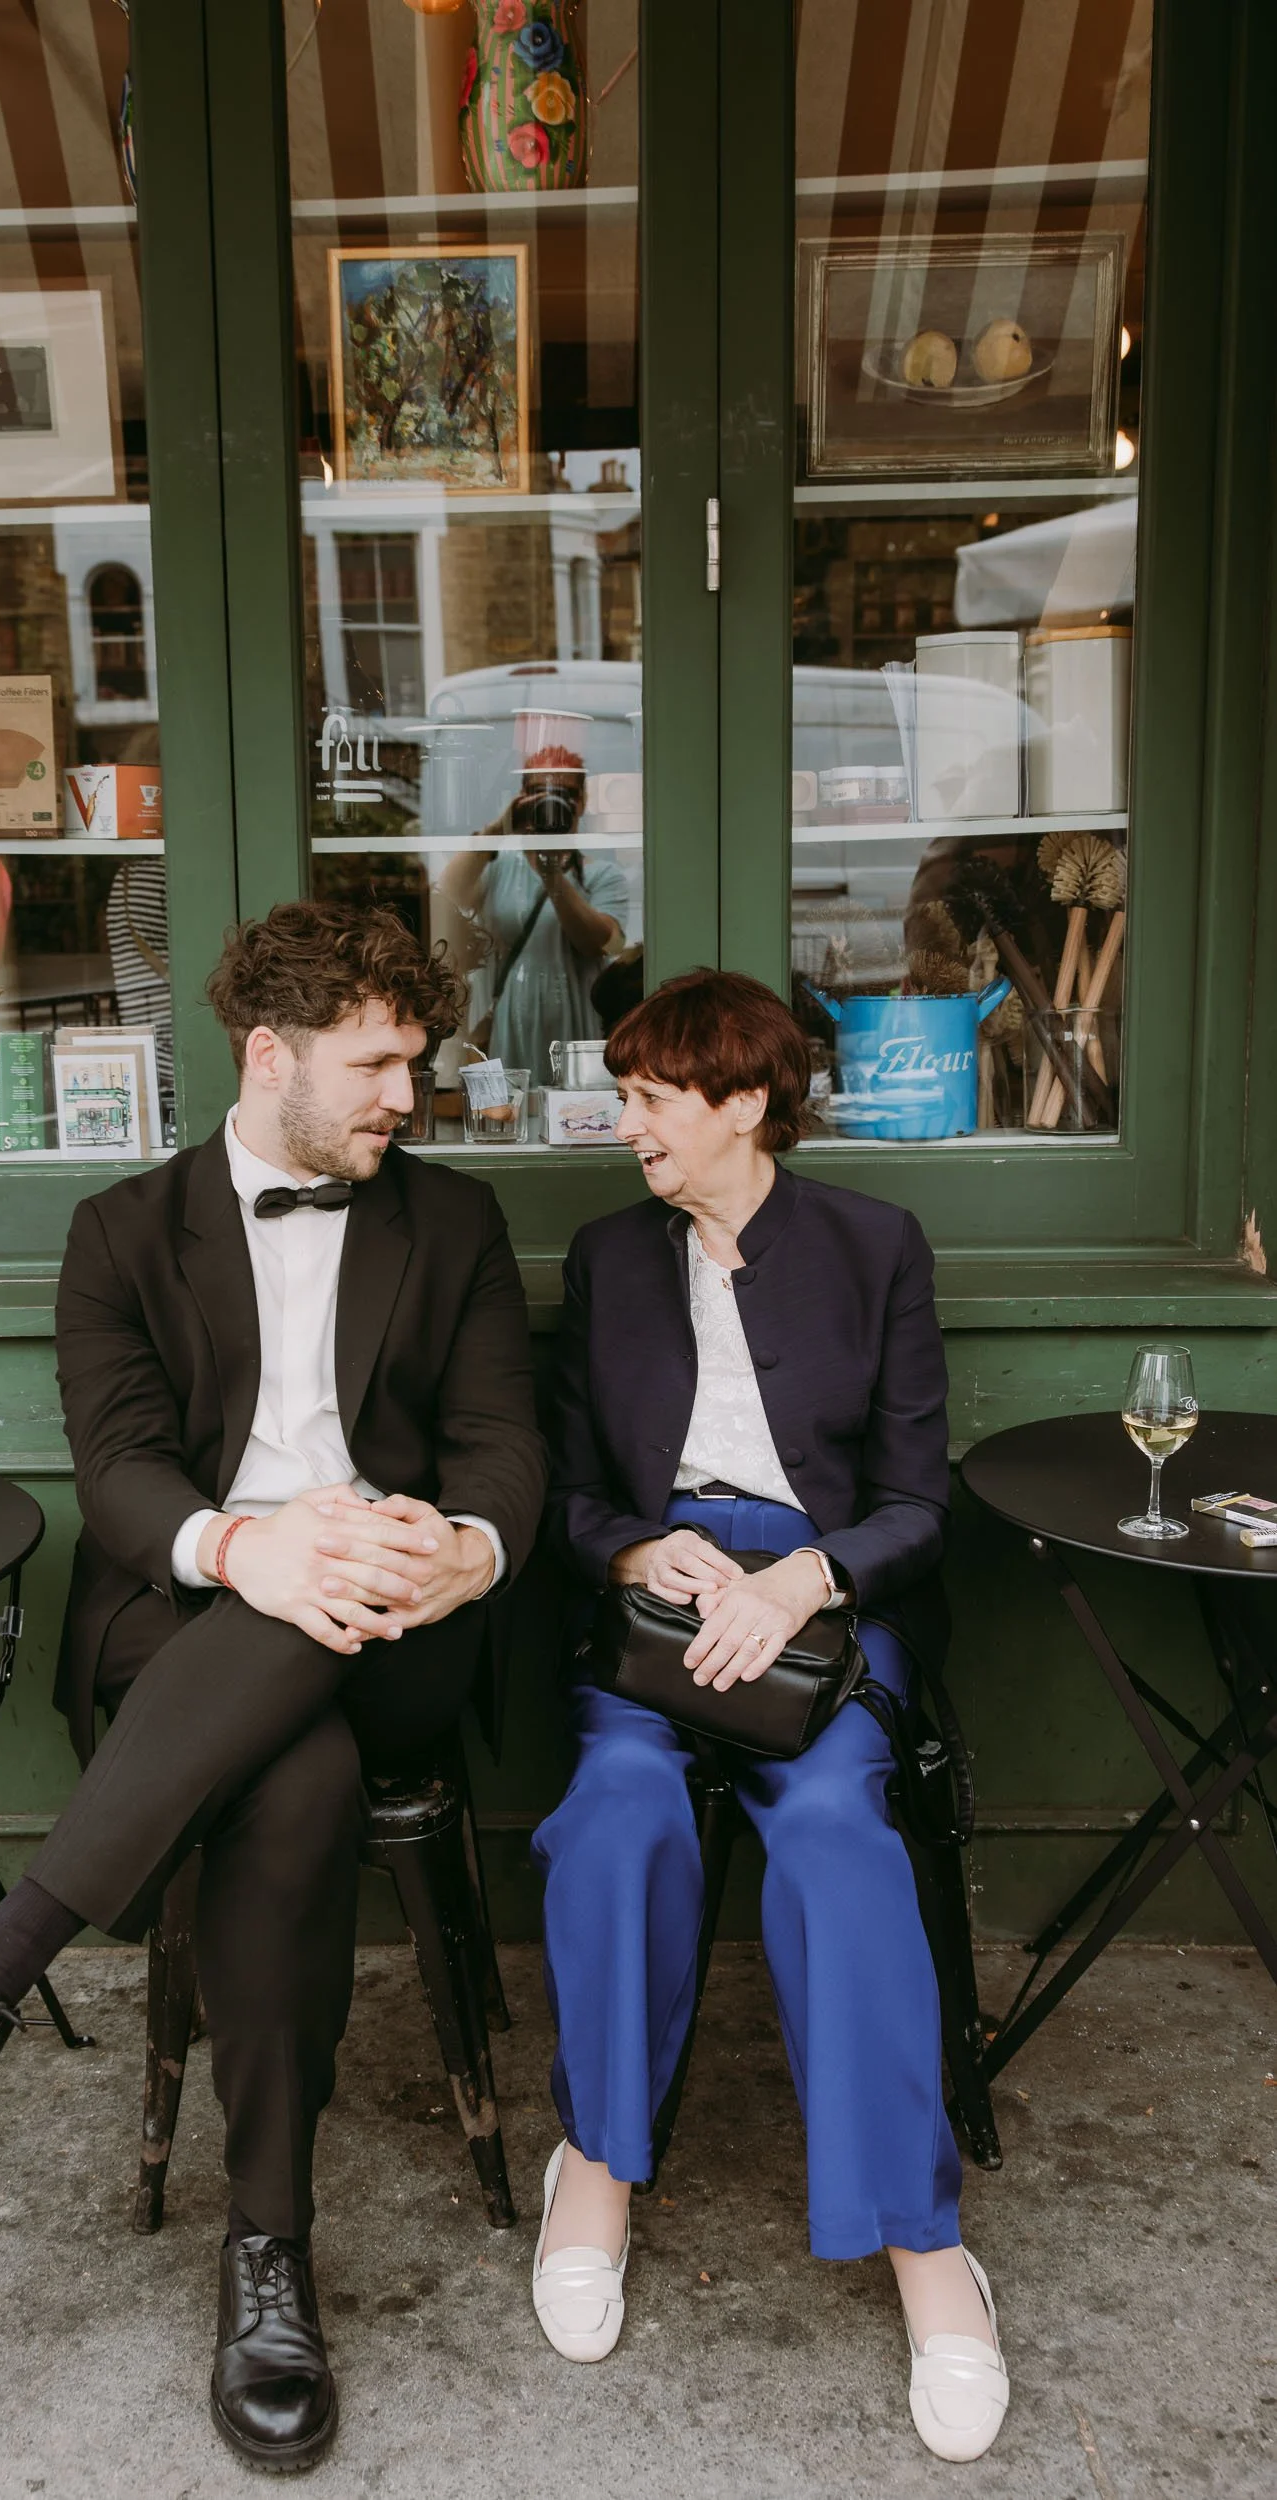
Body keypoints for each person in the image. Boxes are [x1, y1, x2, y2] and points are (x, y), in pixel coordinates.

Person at [0, 902, 547, 2473]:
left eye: (413, 1065)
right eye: (372, 1063)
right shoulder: (119, 1233)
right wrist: (249, 1550)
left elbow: (506, 1446)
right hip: (188, 1618)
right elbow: (119, 1477)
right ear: (268, 1052)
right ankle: (268, 2256)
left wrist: (470, 1552)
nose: (401, 1097)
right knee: (287, 1778)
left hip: (402, 1636)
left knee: (342, 1573)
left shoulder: (456, 1226)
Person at [530, 967, 1009, 2465]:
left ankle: (924, 2248)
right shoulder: (609, 1260)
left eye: (651, 1100)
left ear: (742, 1102)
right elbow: (558, 1484)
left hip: (822, 1621)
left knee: (829, 1843)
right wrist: (627, 1544)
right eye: (625, 1100)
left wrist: (807, 1575)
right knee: (614, 1815)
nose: (626, 1129)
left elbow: (919, 1504)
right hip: (657, 1619)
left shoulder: (874, 1247)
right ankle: (596, 2167)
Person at [440, 745, 627, 1070]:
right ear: (523, 799)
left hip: (576, 1020)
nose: (552, 804)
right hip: (510, 1019)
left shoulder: (602, 875)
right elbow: (451, 890)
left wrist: (552, 873)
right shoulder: (499, 867)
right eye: (539, 793)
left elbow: (597, 943)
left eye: (566, 794)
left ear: (582, 802)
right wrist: (499, 828)